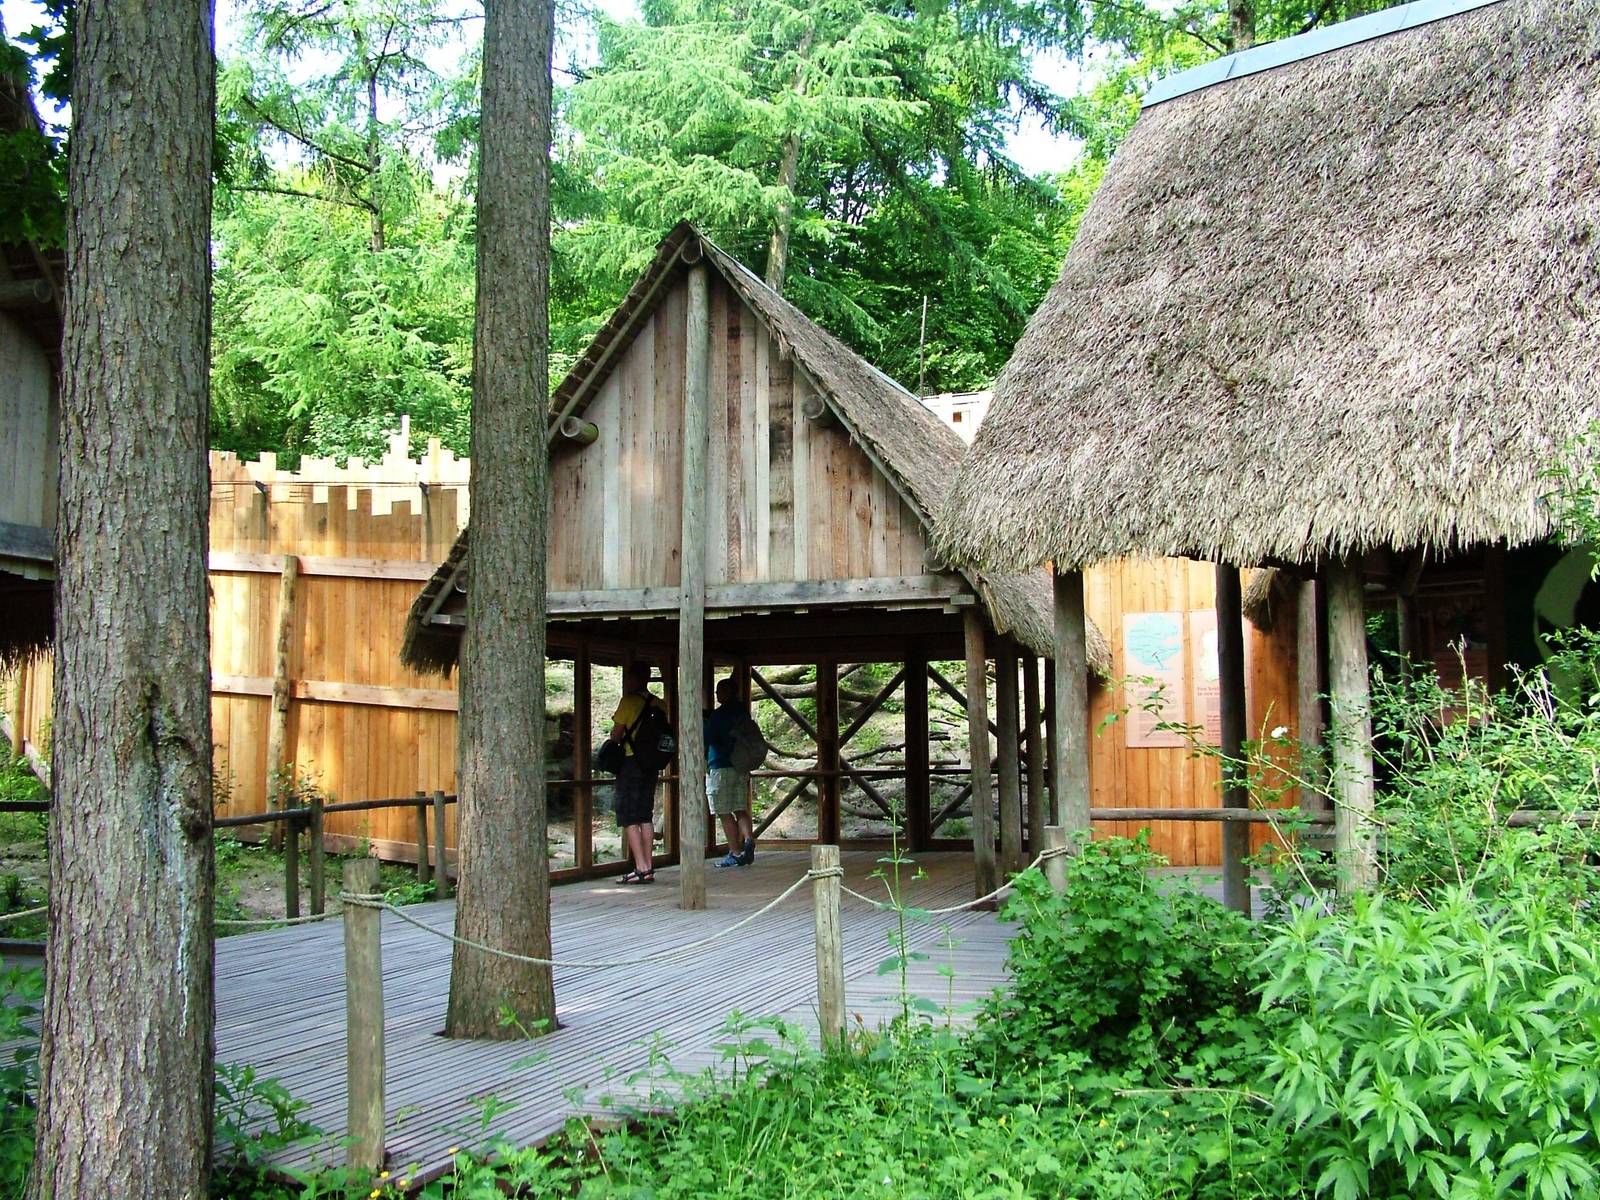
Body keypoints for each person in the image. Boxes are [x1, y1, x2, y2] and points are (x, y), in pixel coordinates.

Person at [610, 662, 668, 884]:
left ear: (635, 679)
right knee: (645, 813)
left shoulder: (628, 702)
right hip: (650, 764)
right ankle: (649, 866)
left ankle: (640, 867)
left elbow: (616, 734)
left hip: (630, 762)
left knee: (628, 814)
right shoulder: (659, 704)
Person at [703, 677, 755, 867]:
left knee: (724, 811)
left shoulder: (719, 715)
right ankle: (748, 839)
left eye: (719, 691)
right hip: (740, 765)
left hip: (720, 766)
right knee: (740, 807)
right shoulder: (742, 712)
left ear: (727, 692)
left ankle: (734, 852)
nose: (716, 694)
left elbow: (707, 737)